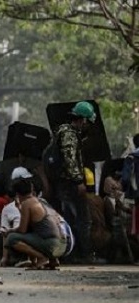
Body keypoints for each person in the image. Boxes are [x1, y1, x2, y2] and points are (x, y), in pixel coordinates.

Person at [52, 101, 95, 263]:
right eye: (87, 122)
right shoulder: (69, 134)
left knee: (70, 218)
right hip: (69, 184)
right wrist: (78, 181)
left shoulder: (64, 132)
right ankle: (82, 254)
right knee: (81, 219)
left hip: (65, 184)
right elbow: (69, 160)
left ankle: (71, 254)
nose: (87, 126)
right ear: (82, 119)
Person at [5, 171, 67, 270]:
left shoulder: (27, 203)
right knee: (33, 232)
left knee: (12, 238)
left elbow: (22, 230)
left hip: (52, 244)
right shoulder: (40, 201)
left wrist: (10, 231)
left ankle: (41, 258)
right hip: (62, 246)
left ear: (17, 194)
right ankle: (52, 260)